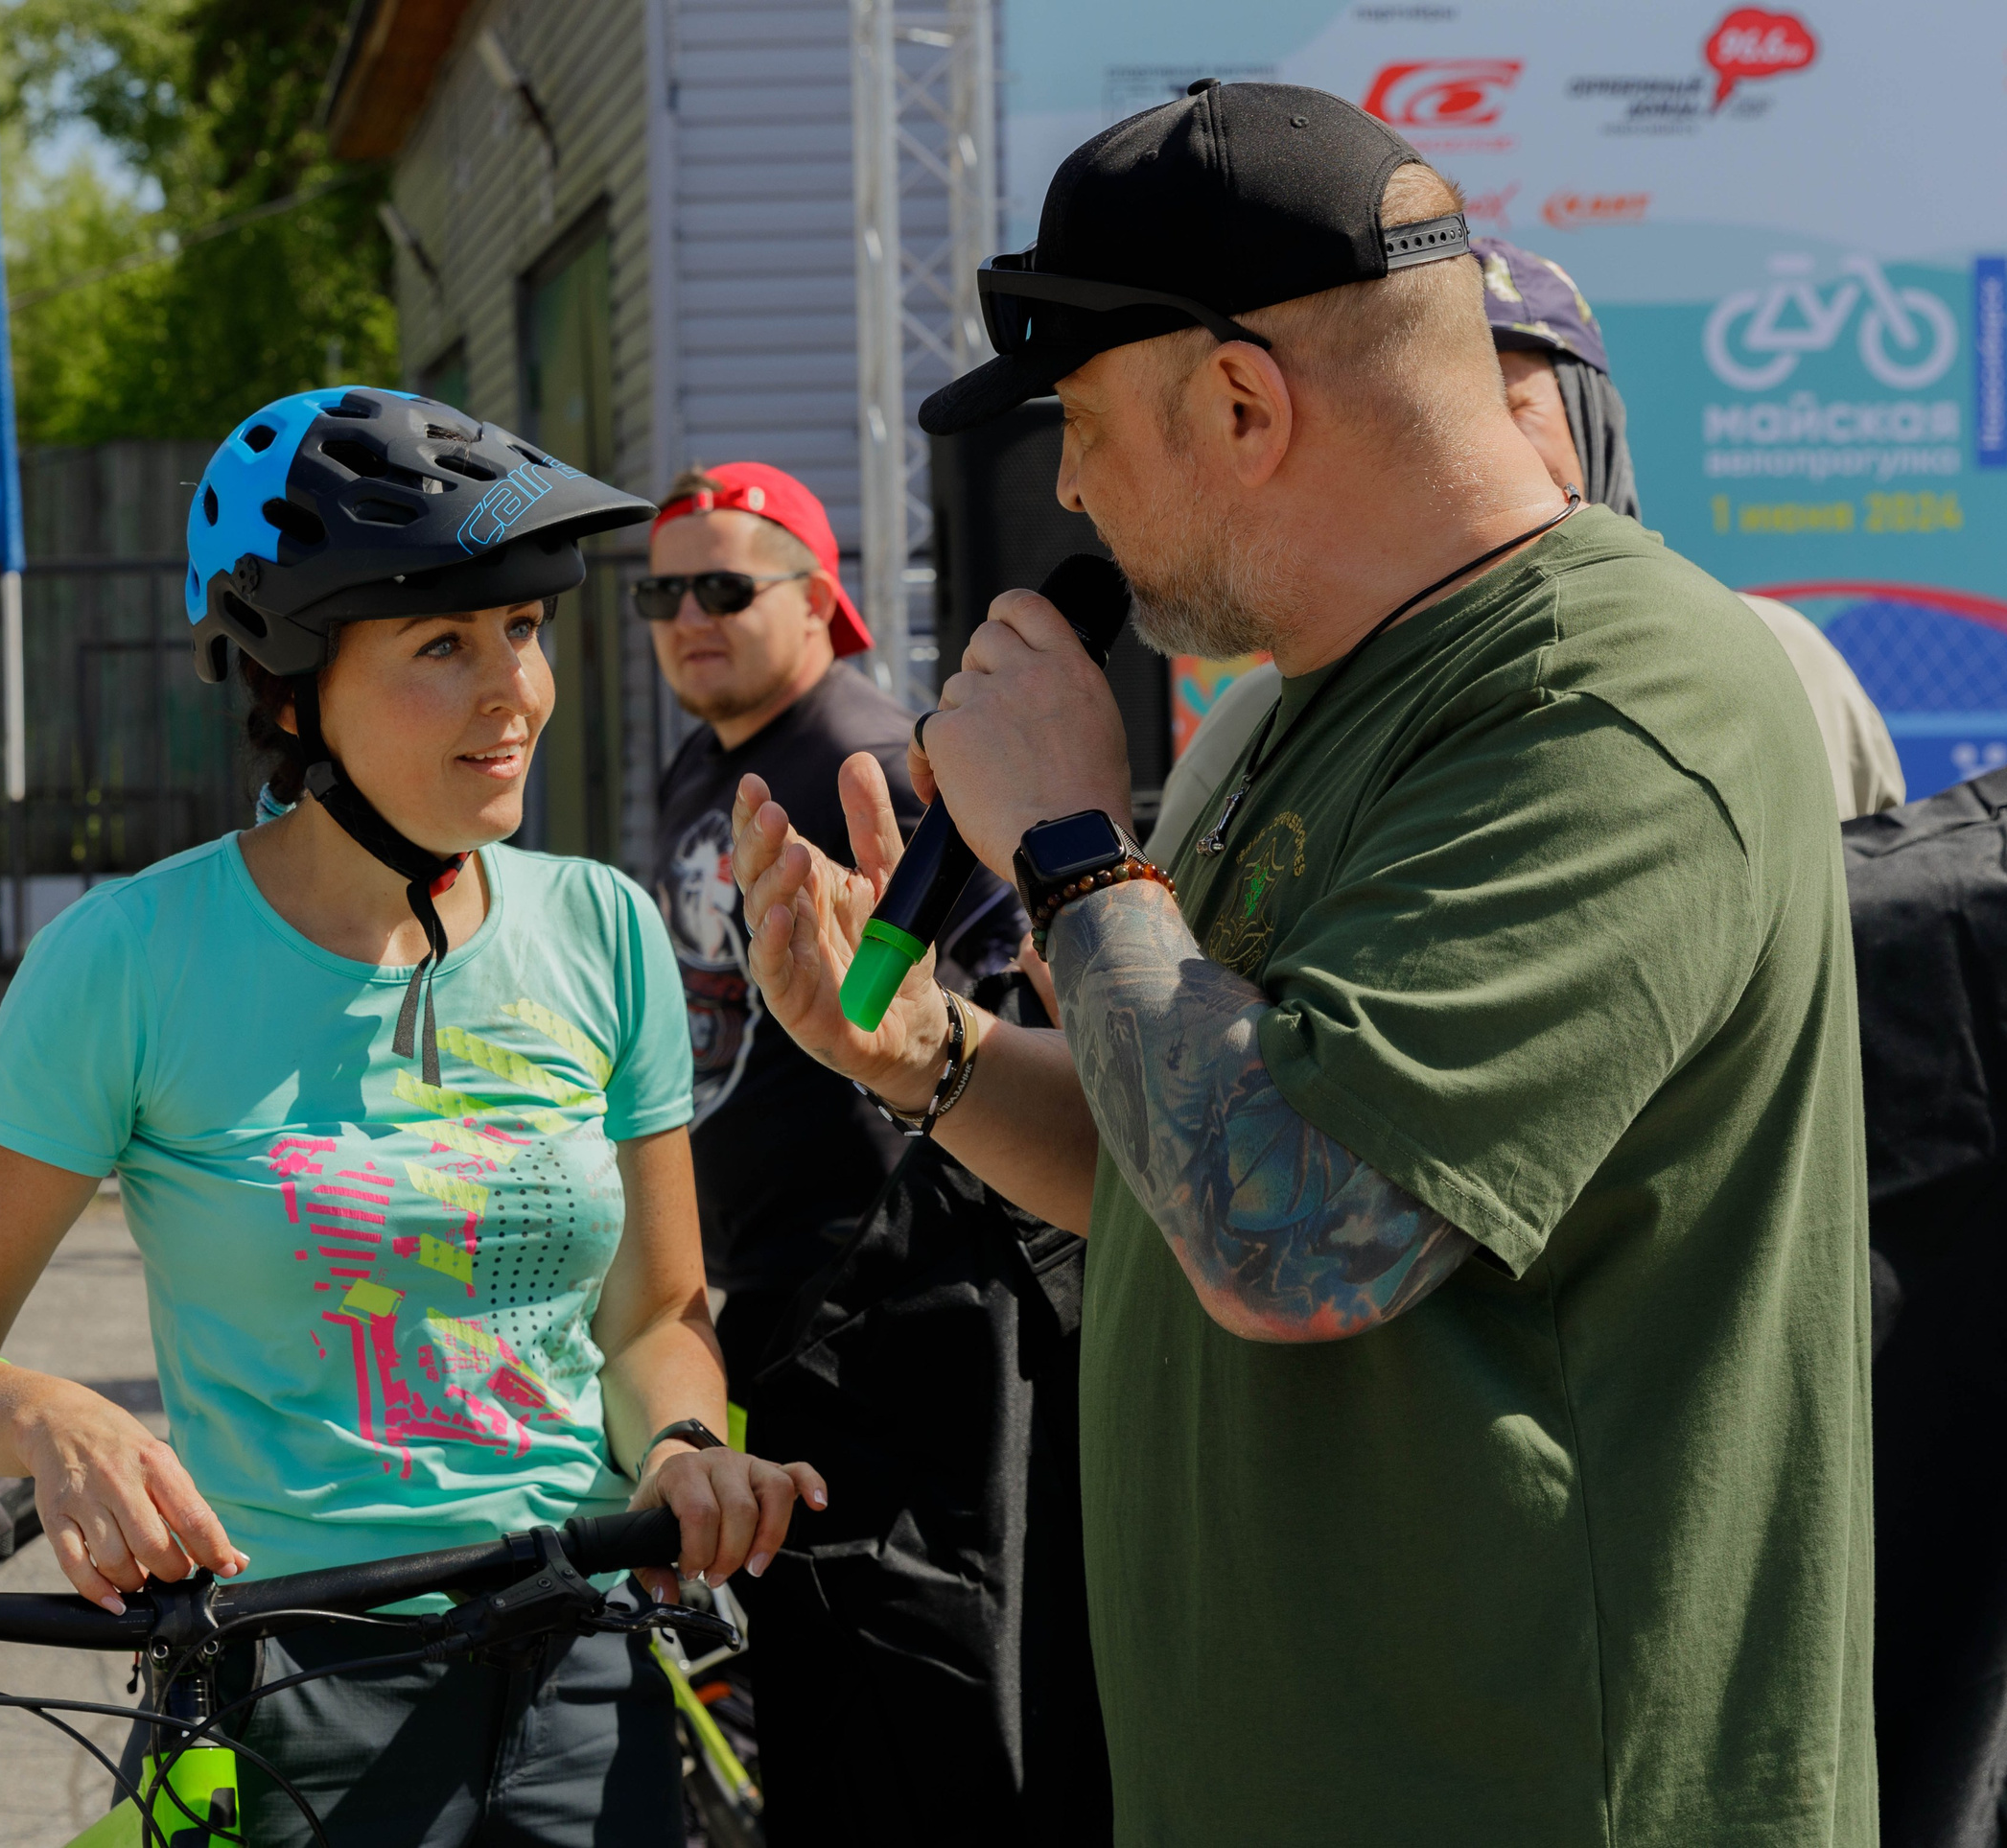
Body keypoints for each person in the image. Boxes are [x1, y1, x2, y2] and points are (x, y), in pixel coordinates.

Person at [730, 82, 1874, 1847]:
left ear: (1244, 404)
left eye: (1083, 419)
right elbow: (1180, 1162)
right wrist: (928, 1054)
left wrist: (1072, 847)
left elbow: (1296, 1227)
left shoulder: (1619, 693)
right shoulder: (1289, 707)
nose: (1068, 484)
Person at [0, 388, 826, 1848]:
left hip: (580, 1653)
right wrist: (47, 1417)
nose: (515, 692)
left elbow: (653, 1316)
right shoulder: (132, 958)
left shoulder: (604, 928)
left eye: (524, 629)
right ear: (292, 685)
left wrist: (682, 1445)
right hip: (292, 1673)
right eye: (443, 644)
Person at [1152, 235, 1902, 858]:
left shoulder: (1780, 655)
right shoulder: (1265, 719)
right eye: (1429, 424)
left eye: (1502, 408)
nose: (1469, 462)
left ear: (1592, 424)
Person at [642, 462, 1024, 1386]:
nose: (688, 617)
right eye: (662, 594)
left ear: (815, 600)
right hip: (750, 1277)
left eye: (723, 589)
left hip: (882, 1292)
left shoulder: (878, 763)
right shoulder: (699, 757)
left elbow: (1020, 983)